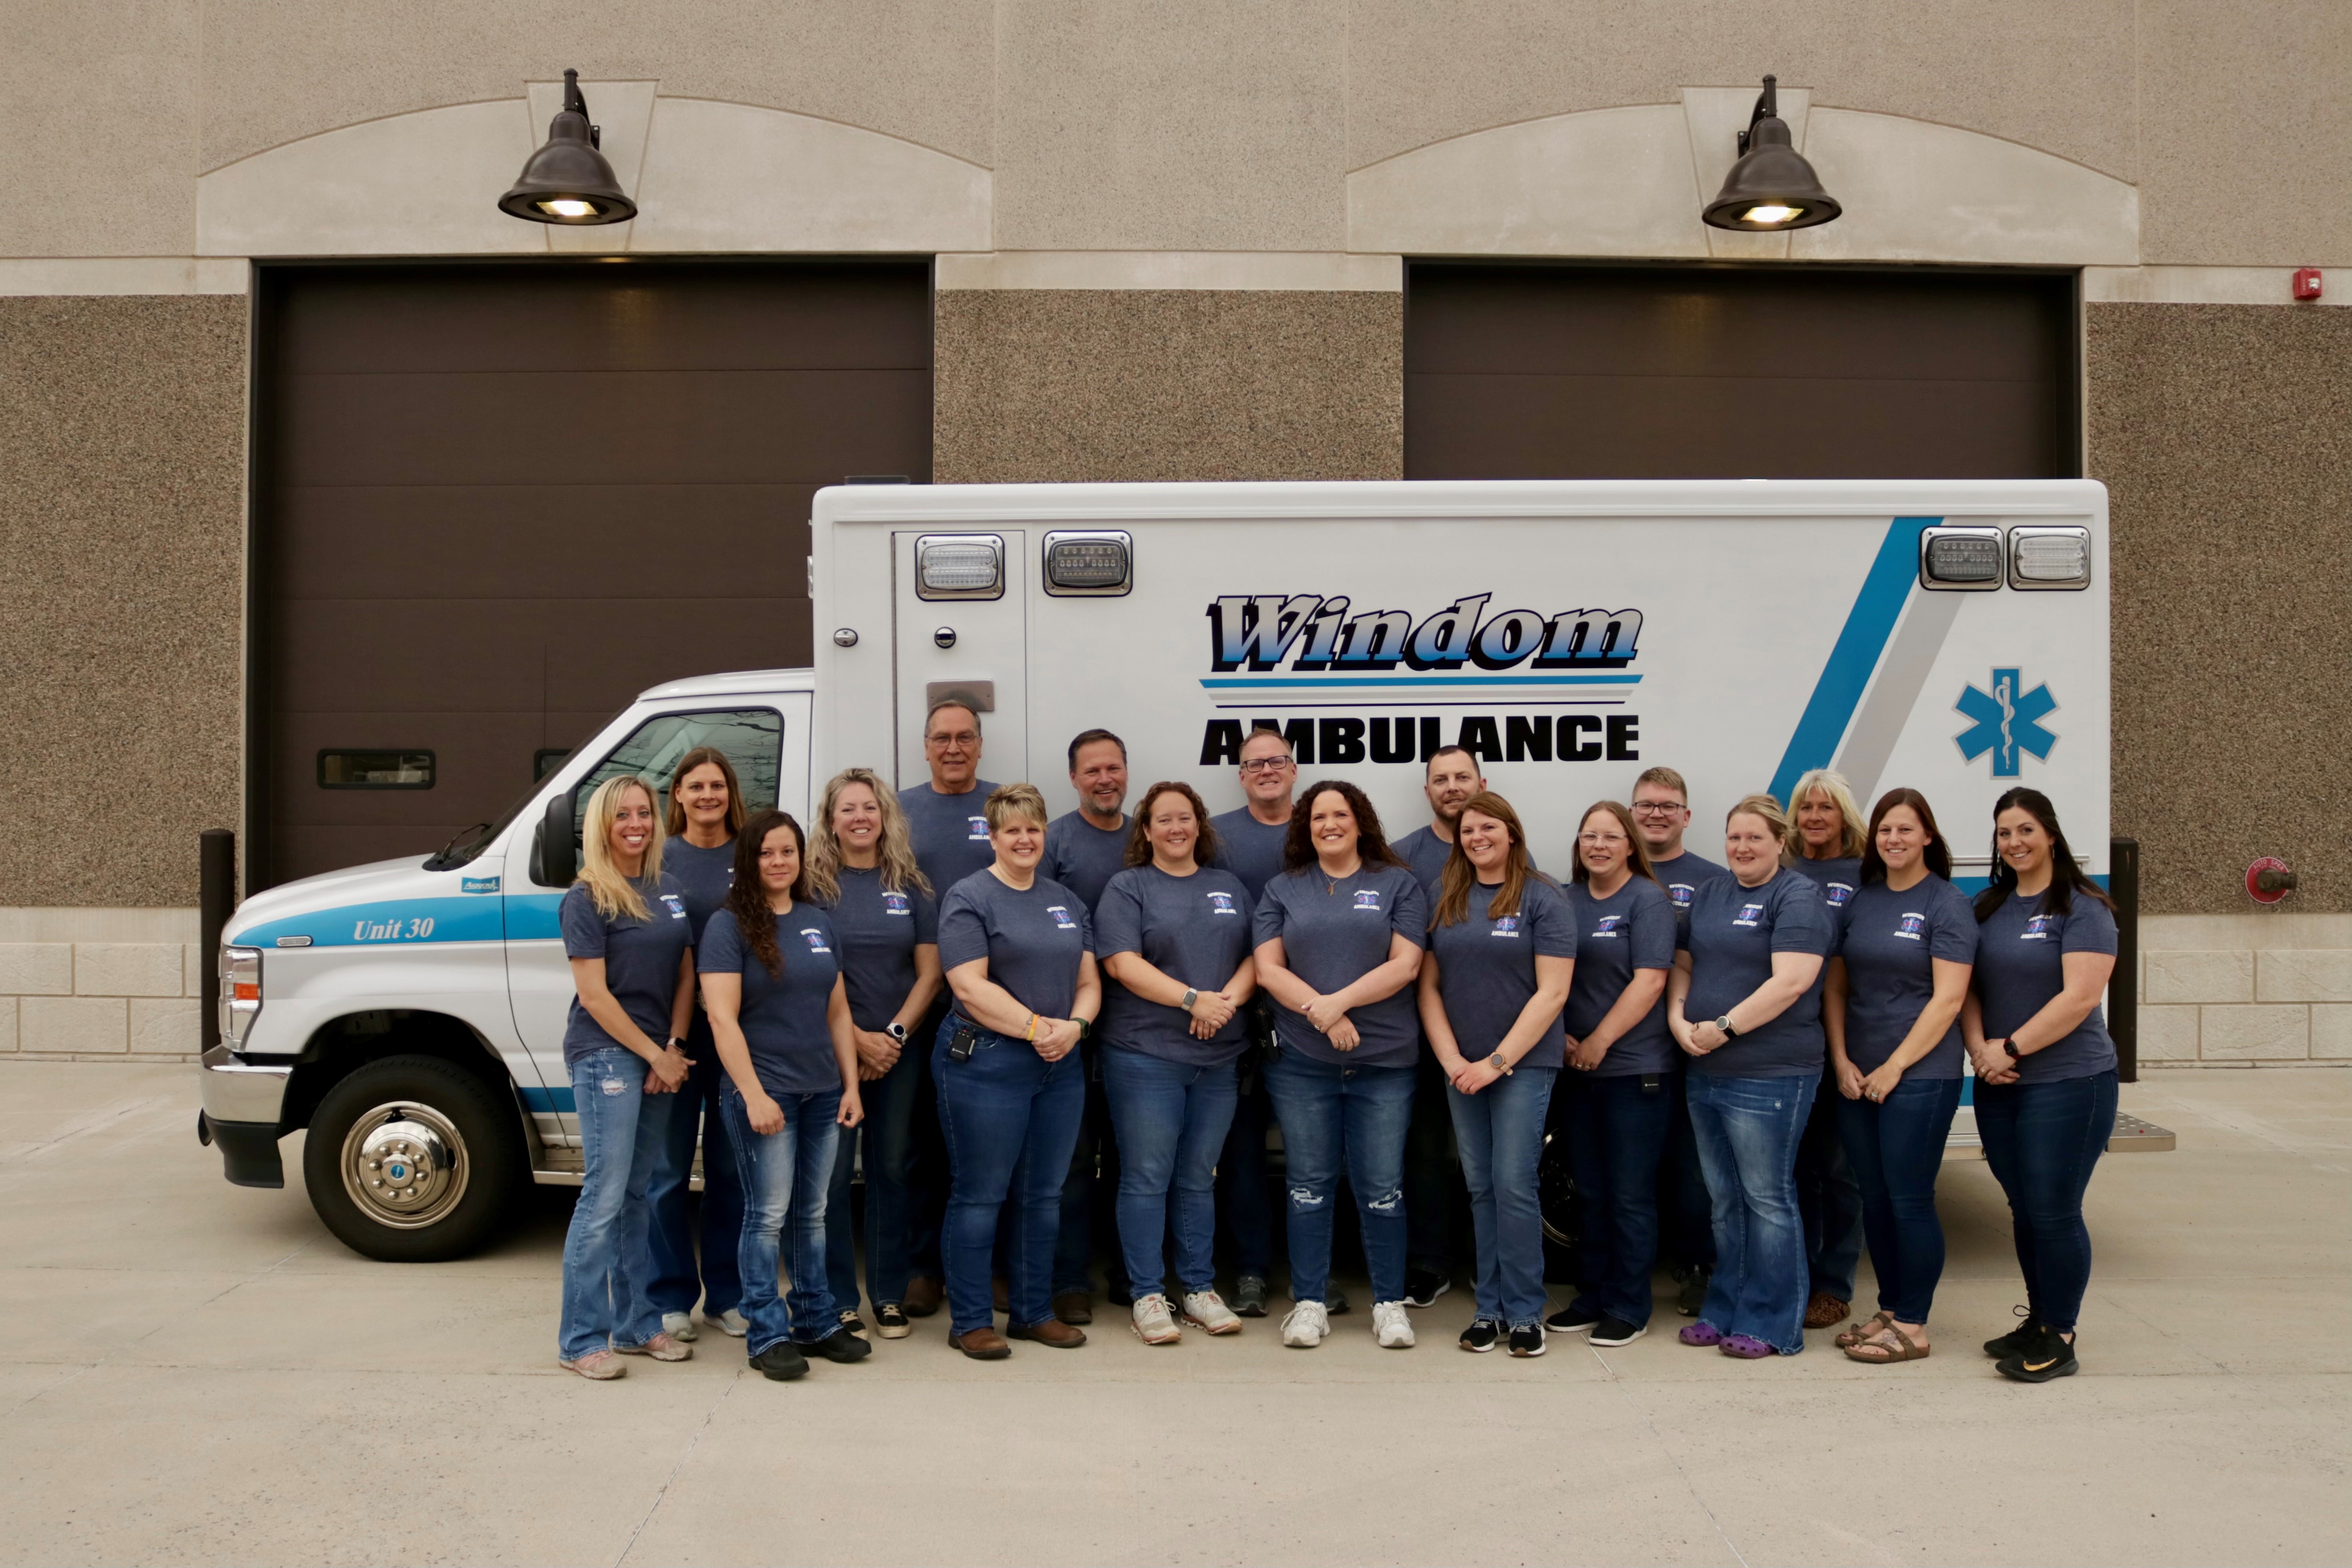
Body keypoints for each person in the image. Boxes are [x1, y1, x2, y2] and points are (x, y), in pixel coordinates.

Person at [1252, 780, 1429, 1350]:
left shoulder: (1396, 882)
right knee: (1307, 1185)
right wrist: (1326, 1018)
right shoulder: (1282, 888)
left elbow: (1405, 964)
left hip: (1384, 1063)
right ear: (1306, 826)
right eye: (1318, 816)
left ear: (1360, 822)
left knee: (1381, 1187)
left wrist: (1339, 1002)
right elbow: (1266, 970)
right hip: (1303, 1063)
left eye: (1340, 814)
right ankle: (1308, 1303)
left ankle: (1388, 1304)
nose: (1329, 824)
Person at [933, 783, 1104, 1359]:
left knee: (1042, 1196)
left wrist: (1074, 1029)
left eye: (1033, 828)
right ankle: (971, 1321)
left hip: (1059, 1064)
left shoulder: (1064, 900)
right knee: (981, 1195)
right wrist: (1037, 1029)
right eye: (1012, 830)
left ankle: (1033, 1312)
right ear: (993, 836)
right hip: (987, 1061)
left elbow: (1088, 982)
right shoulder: (969, 896)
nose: (1025, 839)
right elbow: (967, 984)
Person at [701, 809, 872, 1382]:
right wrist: (752, 1094)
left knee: (814, 1213)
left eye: (788, 851)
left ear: (801, 858)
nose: (778, 862)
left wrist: (850, 1085)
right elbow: (722, 1020)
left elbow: (838, 1010)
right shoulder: (729, 927)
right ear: (749, 860)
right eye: (766, 852)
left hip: (823, 1091)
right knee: (767, 1215)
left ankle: (815, 1321)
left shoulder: (817, 921)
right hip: (766, 1093)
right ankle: (765, 1331)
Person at [1666, 793, 1833, 1360]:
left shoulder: (1797, 896)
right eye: (1734, 837)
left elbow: (1791, 982)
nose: (1741, 847)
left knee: (1766, 1198)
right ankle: (1725, 1307)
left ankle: (1772, 1323)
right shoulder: (1712, 891)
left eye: (1754, 838)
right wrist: (1677, 1016)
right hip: (1706, 1069)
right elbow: (1684, 960)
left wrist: (1724, 1027)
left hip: (1771, 1073)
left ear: (1780, 843)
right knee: (1724, 1201)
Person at [1963, 787, 2120, 1384]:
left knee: (2053, 1210)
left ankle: (2061, 1333)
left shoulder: (2083, 907)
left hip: (2069, 1081)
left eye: (2025, 829)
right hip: (1998, 1082)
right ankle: (2038, 1319)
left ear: (2050, 834)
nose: (2014, 842)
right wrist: (1980, 1050)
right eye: (2004, 833)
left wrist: (2010, 1048)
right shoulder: (1987, 905)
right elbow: (1968, 987)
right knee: (2023, 1208)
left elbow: (2079, 997)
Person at [1095, 781, 1257, 1343]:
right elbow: (1120, 962)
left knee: (1197, 1177)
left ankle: (1197, 1288)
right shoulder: (1128, 886)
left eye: (1184, 818)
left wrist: (1224, 1004)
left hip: (1217, 1055)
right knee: (1145, 1177)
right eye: (1162, 820)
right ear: (1146, 830)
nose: (1175, 828)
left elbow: (1257, 958)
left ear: (1199, 824)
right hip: (1145, 1055)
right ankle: (1146, 1292)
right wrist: (1193, 999)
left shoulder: (1227, 886)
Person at [1823, 787, 1976, 1366]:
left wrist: (1894, 1066)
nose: (1893, 839)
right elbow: (1837, 986)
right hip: (1857, 1075)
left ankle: (1913, 1323)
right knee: (1876, 1199)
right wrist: (1840, 1057)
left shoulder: (1946, 904)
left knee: (1909, 1198)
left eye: (1905, 830)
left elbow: (1948, 998)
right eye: (1885, 829)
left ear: (1927, 837)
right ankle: (1890, 1310)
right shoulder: (1862, 901)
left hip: (1919, 1073)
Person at [1416, 792, 1572, 1358]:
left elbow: (1553, 991)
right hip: (1461, 1068)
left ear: (1511, 831)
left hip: (1522, 1066)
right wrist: (1453, 1059)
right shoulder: (1444, 894)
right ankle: (1489, 1309)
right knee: (1479, 1186)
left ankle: (1525, 1312)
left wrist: (1495, 1062)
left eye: (1487, 827)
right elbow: (1427, 987)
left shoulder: (1542, 896)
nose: (1475, 837)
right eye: (1467, 830)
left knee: (1513, 1184)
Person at [555, 775, 696, 1380]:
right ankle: (580, 1338)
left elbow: (687, 973)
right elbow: (594, 995)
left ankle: (637, 1324)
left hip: (658, 1052)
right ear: (602, 826)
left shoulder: (667, 888)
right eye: (623, 816)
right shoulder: (587, 897)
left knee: (640, 1191)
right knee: (605, 1195)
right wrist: (651, 1053)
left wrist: (674, 1045)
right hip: (606, 1055)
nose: (636, 824)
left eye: (644, 813)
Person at [807, 768, 942, 1342]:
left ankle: (887, 1294)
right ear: (830, 820)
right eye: (847, 808)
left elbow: (930, 972)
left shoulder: (910, 884)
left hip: (898, 1051)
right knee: (832, 1178)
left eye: (870, 807)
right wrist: (855, 1038)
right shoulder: (812, 888)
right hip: (828, 1051)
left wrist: (890, 1036)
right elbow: (807, 972)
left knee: (890, 1169)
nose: (860, 817)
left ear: (885, 816)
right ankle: (837, 1299)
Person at [1547, 801, 1678, 1349]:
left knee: (1629, 1194)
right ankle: (1592, 1294)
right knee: (1591, 1191)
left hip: (1633, 1071)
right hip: (1576, 1068)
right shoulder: (1564, 899)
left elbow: (1650, 981)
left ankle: (1629, 1303)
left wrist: (1599, 1040)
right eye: (1588, 836)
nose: (1597, 845)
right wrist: (1563, 1038)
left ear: (1630, 844)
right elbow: (1542, 975)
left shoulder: (1647, 900)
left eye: (1609, 836)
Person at [894, 698, 1000, 1321]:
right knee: (920, 1146)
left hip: (989, 1002)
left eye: (965, 737)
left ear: (980, 745)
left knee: (989, 1146)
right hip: (919, 999)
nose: (953, 747)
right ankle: (922, 1269)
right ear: (925, 746)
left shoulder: (1002, 805)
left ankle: (994, 1269)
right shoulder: (899, 811)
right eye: (942, 738)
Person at [639, 748, 747, 1344]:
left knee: (732, 1172)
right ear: (676, 795)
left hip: (740, 1034)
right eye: (695, 785)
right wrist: (667, 1040)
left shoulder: (751, 854)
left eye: (717, 785)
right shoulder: (659, 860)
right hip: (673, 1036)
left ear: (731, 793)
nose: (708, 795)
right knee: (667, 1171)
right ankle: (669, 1297)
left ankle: (727, 1298)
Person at [1207, 725, 1300, 1319]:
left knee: (1311, 1155)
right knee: (1240, 1154)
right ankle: (1249, 1271)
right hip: (1237, 1014)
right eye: (1253, 763)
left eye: (1276, 760)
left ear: (1294, 769)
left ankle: (1312, 1273)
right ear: (1240, 776)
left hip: (1309, 1014)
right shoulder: (1216, 837)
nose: (1266, 770)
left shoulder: (1322, 824)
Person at [1630, 765, 1727, 1316]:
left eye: (1668, 805)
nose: (1656, 813)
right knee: (1634, 1170)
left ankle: (1697, 1265)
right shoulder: (1615, 870)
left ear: (1686, 816)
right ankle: (1628, 1271)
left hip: (1694, 1045)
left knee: (1694, 1169)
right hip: (1631, 1047)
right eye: (1646, 804)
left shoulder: (1713, 879)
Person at [1043, 729, 1133, 1324]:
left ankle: (1133, 1274)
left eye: (1114, 768)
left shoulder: (1145, 837)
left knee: (1132, 1157)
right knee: (1071, 1162)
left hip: (1139, 1025)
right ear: (1073, 778)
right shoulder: (1054, 841)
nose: (1105, 778)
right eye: (1092, 770)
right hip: (1068, 1025)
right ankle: (1070, 1278)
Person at [1390, 745, 1485, 1311]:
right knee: (1422, 1154)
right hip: (1418, 1031)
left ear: (1481, 782)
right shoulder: (1403, 858)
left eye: (1461, 777)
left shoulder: (1506, 846)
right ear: (1427, 790)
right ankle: (1428, 1262)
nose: (1452, 786)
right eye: (1440, 779)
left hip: (1493, 1032)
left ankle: (1486, 1260)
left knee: (1489, 1160)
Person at [1782, 767, 1870, 1331]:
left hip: (1848, 1036)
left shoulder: (1866, 874)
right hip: (1788, 1040)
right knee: (1797, 1170)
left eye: (1826, 807)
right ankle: (1798, 1275)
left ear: (1844, 815)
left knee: (1840, 1169)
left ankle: (1833, 1284)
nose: (1814, 817)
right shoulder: (1781, 869)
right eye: (1805, 807)